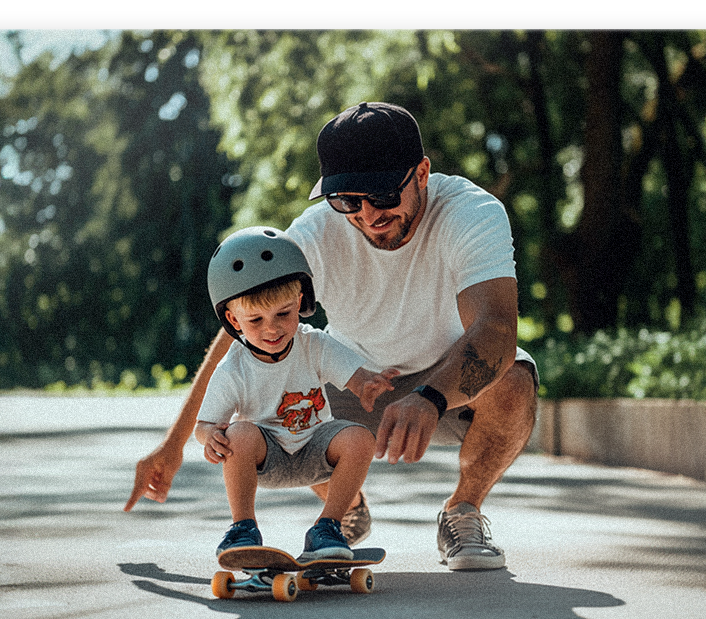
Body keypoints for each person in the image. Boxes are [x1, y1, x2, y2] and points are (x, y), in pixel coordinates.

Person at [127, 103, 538, 571]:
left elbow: (497, 330)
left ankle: (462, 510)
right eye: (346, 199)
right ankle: (344, 511)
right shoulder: (313, 236)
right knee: (269, 383)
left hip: (450, 384)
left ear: (421, 173)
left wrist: (429, 397)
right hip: (352, 383)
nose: (367, 214)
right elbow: (239, 335)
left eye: (383, 195)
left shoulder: (470, 212)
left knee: (514, 379)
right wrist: (173, 443)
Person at [193, 226, 397, 563]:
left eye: (283, 314)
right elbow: (205, 425)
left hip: (316, 449)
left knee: (360, 438)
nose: (271, 329)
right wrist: (210, 436)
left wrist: (367, 384)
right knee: (239, 433)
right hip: (266, 456)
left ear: (300, 302)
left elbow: (353, 375)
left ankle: (327, 527)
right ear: (233, 320)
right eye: (255, 319)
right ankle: (243, 528)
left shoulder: (312, 344)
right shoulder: (233, 368)